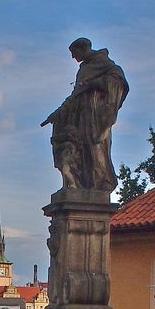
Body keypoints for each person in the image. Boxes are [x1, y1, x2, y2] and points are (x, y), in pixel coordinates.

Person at [41, 37, 129, 193]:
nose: (73, 58)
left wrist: (94, 84)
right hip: (81, 116)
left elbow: (117, 80)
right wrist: (57, 114)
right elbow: (76, 95)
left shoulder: (102, 62)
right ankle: (84, 183)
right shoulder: (84, 69)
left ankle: (102, 181)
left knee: (96, 149)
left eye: (74, 53)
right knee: (81, 151)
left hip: (95, 116)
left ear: (83, 49)